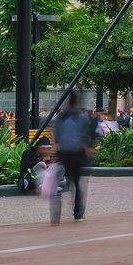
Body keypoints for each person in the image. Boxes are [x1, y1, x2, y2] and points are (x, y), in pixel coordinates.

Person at [48, 93, 95, 225]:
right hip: (78, 154)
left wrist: (57, 154)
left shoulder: (61, 117)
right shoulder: (82, 118)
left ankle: (56, 211)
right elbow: (87, 137)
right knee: (78, 183)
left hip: (64, 153)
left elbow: (56, 138)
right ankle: (78, 213)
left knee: (62, 182)